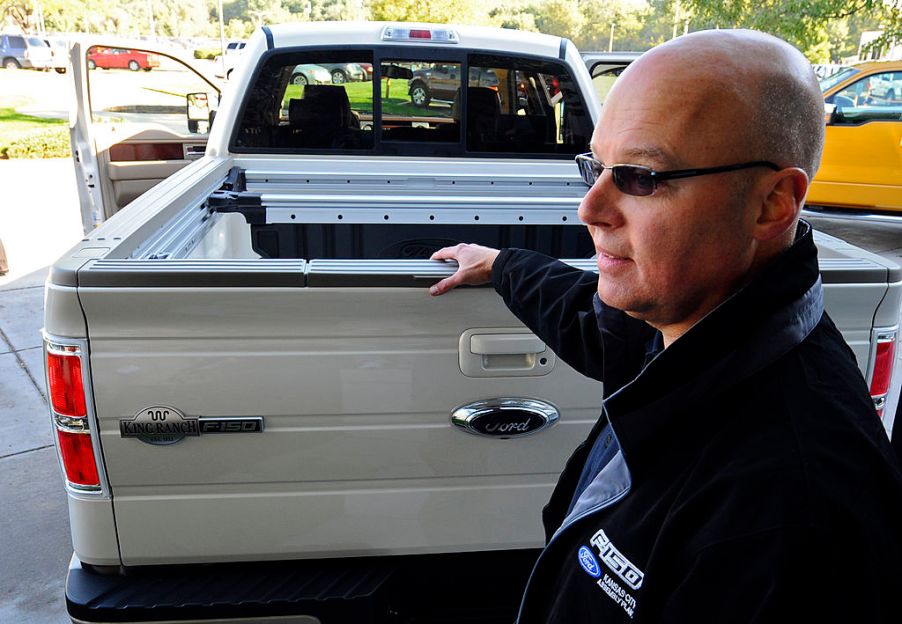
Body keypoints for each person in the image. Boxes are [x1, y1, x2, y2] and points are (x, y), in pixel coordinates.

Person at [429, 30, 902, 622]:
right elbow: (593, 322)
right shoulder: (699, 326)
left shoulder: (785, 516)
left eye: (641, 178)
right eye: (595, 167)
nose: (590, 209)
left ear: (771, 203)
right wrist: (502, 266)